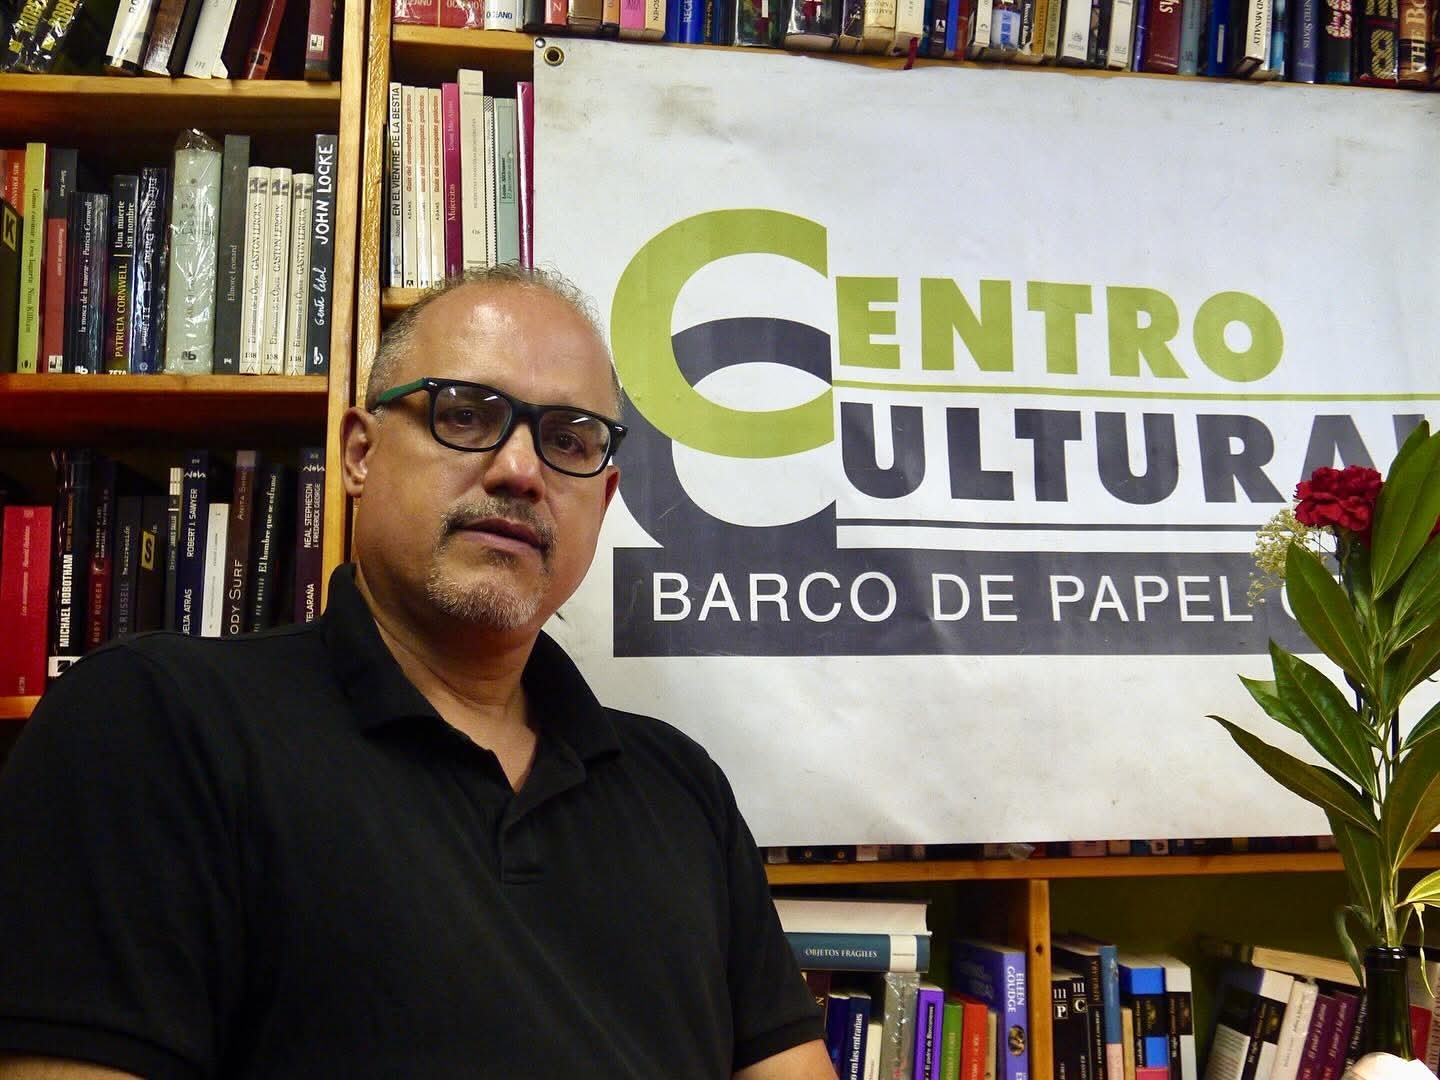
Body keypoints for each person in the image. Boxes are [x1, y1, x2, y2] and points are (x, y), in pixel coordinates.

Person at [0, 267, 833, 1078]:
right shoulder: (154, 722)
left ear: (605, 498)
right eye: (465, 414)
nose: (520, 471)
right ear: (359, 454)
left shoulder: (683, 788)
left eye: (568, 440)